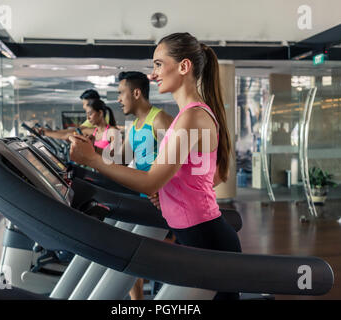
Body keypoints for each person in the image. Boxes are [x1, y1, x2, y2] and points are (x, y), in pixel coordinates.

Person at [69, 32, 241, 300]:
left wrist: (92, 159)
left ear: (184, 67)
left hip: (206, 238)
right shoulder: (191, 114)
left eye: (159, 64)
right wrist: (171, 195)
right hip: (199, 234)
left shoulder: (191, 116)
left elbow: (151, 180)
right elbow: (215, 175)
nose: (153, 74)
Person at [116, 71, 173, 299]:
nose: (118, 99)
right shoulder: (136, 126)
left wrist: (166, 190)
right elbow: (118, 160)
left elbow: (185, 159)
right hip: (143, 200)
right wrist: (88, 153)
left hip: (164, 202)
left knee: (150, 257)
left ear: (136, 93)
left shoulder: (159, 120)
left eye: (121, 93)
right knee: (131, 255)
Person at [40, 89, 109, 140]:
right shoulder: (101, 121)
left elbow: (76, 131)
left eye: (84, 104)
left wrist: (49, 132)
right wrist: (51, 132)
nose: (83, 106)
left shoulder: (98, 121)